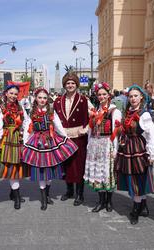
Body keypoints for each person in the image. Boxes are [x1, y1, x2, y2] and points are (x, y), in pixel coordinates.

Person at [22, 87, 78, 210]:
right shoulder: (32, 112)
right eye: (40, 97)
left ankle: (47, 195)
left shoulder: (51, 111)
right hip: (37, 142)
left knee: (50, 170)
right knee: (41, 170)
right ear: (36, 99)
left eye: (44, 98)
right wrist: (25, 143)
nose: (42, 100)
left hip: (50, 141)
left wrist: (66, 138)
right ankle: (43, 199)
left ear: (47, 99)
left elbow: (58, 125)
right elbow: (28, 128)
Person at [114, 85, 154, 225]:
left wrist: (152, 154)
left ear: (141, 97)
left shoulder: (143, 114)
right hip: (126, 147)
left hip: (138, 147)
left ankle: (136, 209)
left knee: (138, 177)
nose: (133, 98)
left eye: (136, 96)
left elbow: (151, 134)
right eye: (131, 96)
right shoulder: (127, 112)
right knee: (133, 177)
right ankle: (143, 206)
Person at [54, 68, 90, 206]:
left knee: (79, 165)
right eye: (68, 83)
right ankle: (69, 191)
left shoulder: (83, 100)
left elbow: (88, 117)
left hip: (79, 136)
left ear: (76, 85)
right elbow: (55, 118)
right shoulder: (58, 101)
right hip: (64, 137)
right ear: (64, 85)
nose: (70, 85)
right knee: (67, 165)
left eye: (73, 83)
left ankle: (80, 194)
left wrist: (85, 130)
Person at [84, 82, 121, 212]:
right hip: (95, 144)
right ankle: (101, 201)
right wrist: (89, 143)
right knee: (98, 173)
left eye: (104, 94)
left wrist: (115, 149)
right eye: (99, 94)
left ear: (109, 95)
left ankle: (109, 201)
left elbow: (115, 132)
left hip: (107, 144)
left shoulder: (114, 111)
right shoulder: (95, 110)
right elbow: (90, 129)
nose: (101, 97)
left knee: (108, 173)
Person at [0, 85, 30, 210]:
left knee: (16, 168)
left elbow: (27, 122)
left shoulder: (21, 107)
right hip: (7, 139)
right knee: (12, 168)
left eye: (15, 94)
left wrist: (25, 139)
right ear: (6, 93)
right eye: (11, 93)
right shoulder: (0, 108)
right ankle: (17, 197)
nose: (13, 96)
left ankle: (13, 193)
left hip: (18, 139)